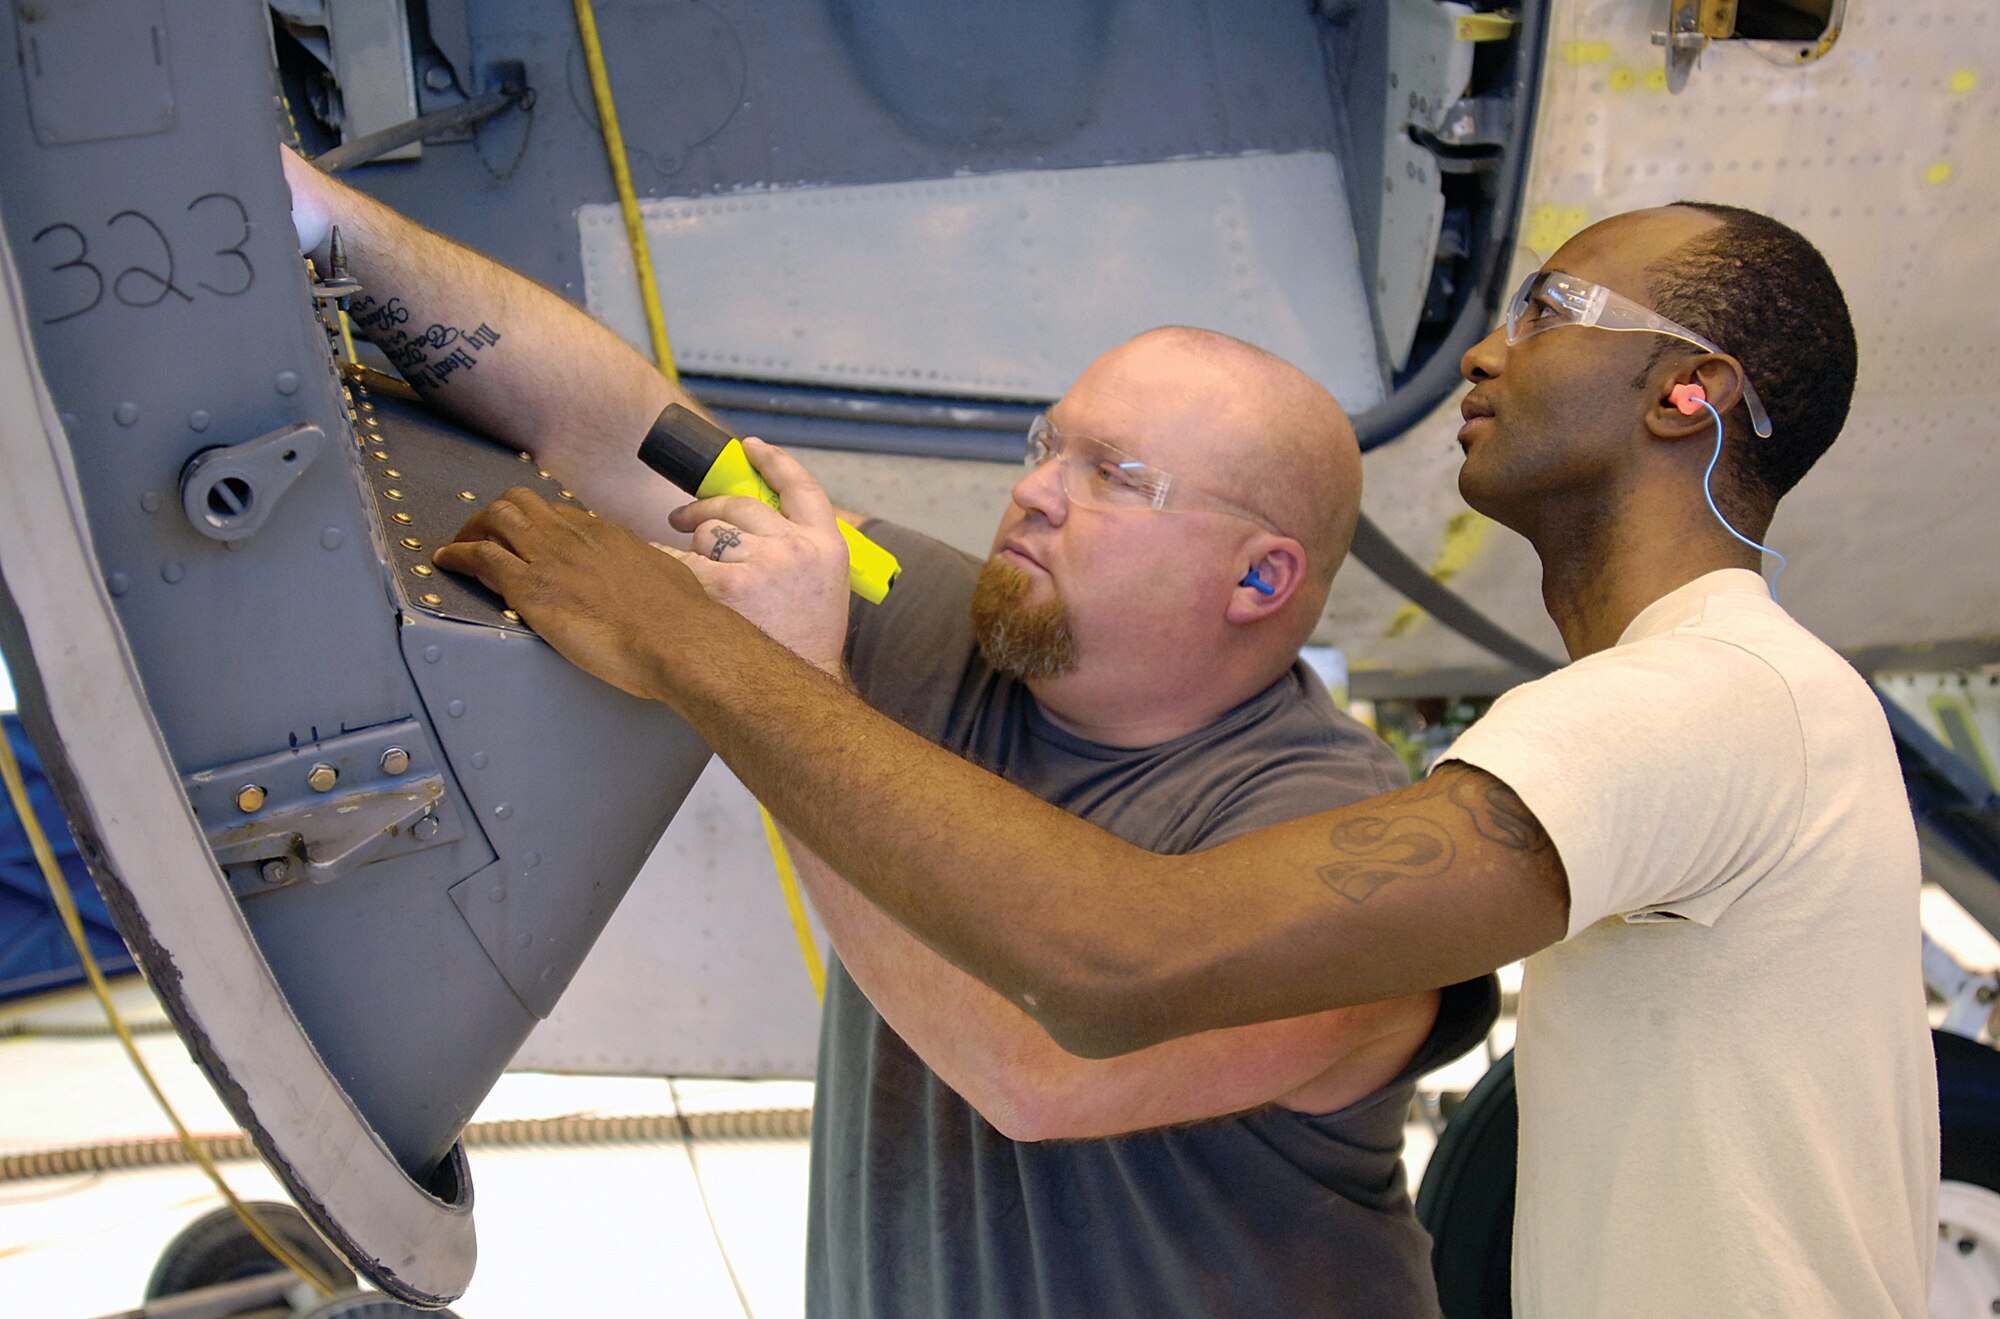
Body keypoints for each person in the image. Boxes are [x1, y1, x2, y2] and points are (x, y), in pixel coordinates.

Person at [442, 201, 1940, 1317]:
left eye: (1551, 307)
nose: (1489, 344)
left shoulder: (1707, 695)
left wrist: (722, 662)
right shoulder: (1697, 708)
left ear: (1690, 392)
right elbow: (654, 441)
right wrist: (317, 221)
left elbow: (1112, 966)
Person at [280, 149, 1499, 1317]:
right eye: (1045, 445)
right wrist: (331, 224)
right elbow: (621, 438)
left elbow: (1040, 1070)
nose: (1033, 488)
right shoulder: (961, 634)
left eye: (1115, 474)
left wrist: (772, 674)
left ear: (1258, 578)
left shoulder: (1340, 849)